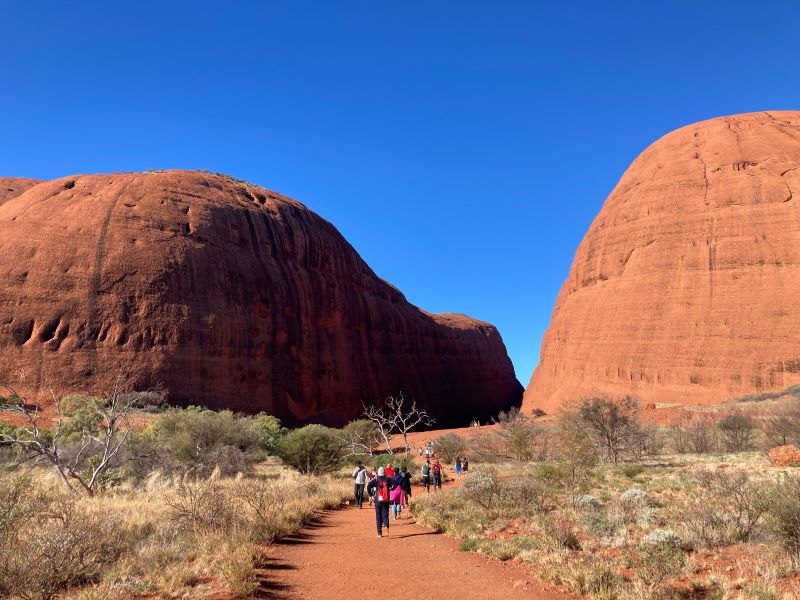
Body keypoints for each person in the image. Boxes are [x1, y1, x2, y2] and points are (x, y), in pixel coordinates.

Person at [367, 466, 391, 537]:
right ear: (384, 473)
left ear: (378, 473)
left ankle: (379, 533)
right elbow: (395, 484)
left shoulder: (376, 480)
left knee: (378, 516)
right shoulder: (388, 479)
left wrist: (371, 495)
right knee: (385, 515)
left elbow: (368, 486)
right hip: (386, 500)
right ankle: (386, 527)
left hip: (377, 500)